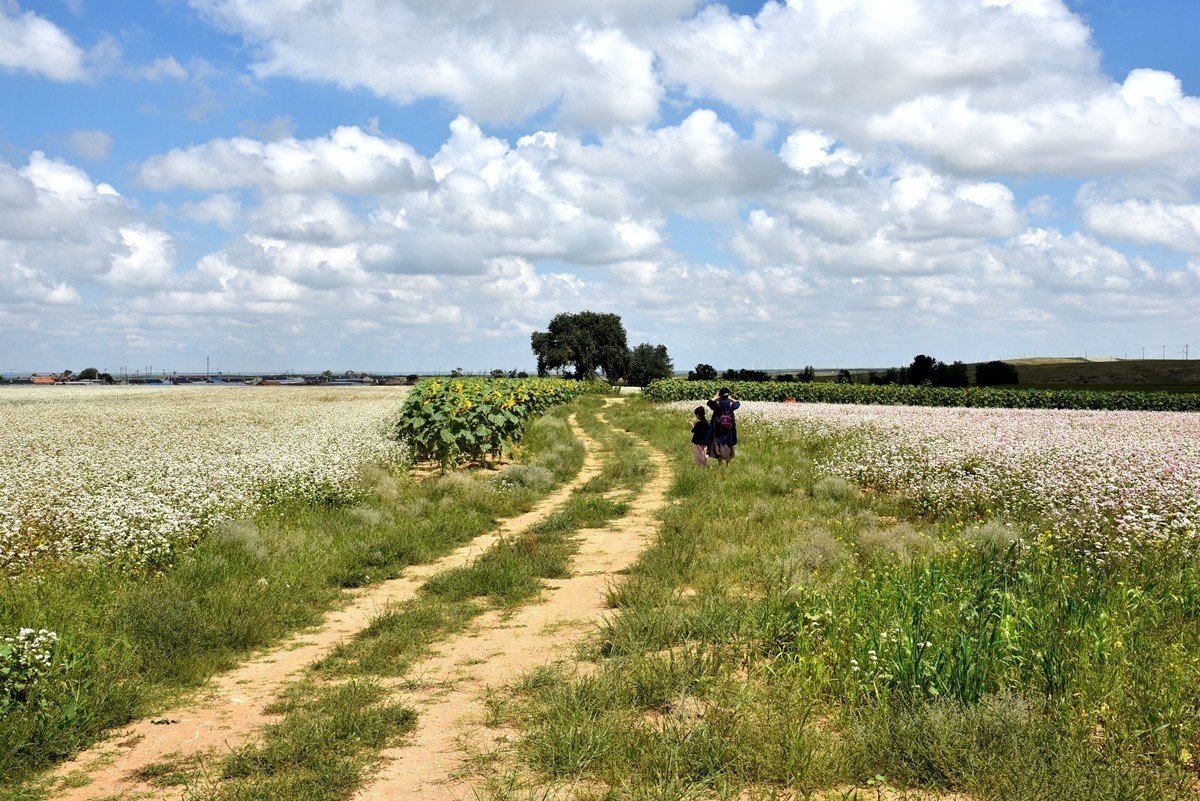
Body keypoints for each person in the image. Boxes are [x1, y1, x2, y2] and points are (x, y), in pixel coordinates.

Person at [706, 387, 740, 467]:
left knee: (719, 445)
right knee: (729, 445)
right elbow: (738, 403)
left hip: (718, 428)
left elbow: (709, 402)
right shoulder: (731, 404)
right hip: (729, 429)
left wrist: (715, 397)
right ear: (728, 395)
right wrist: (731, 398)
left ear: (720, 395)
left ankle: (720, 465)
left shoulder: (717, 403)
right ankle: (728, 465)